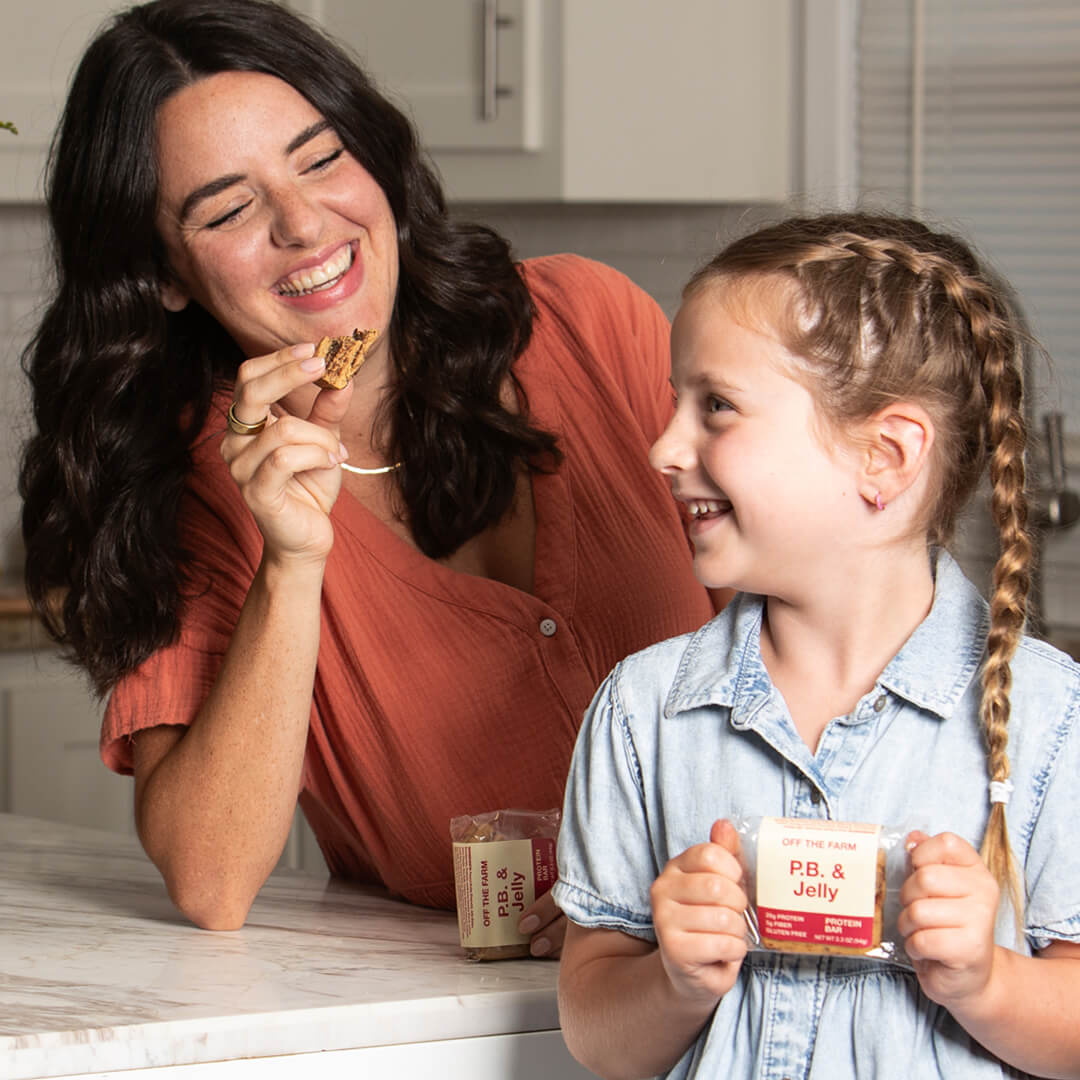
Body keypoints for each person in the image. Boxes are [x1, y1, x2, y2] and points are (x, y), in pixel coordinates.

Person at [17, 0, 724, 944]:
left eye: (320, 159)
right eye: (229, 209)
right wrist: (292, 562)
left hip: (732, 965)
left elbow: (815, 634)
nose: (305, 224)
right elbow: (211, 879)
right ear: (164, 276)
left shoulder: (592, 324)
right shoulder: (191, 492)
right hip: (462, 1019)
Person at [554, 212, 1080, 1077]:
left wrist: (987, 983)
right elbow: (595, 1031)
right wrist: (673, 981)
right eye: (675, 402)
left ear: (885, 455)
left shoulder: (1050, 724)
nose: (663, 447)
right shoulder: (641, 711)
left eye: (715, 406)